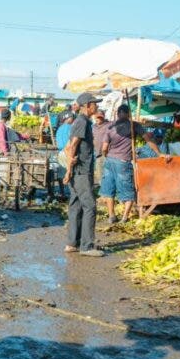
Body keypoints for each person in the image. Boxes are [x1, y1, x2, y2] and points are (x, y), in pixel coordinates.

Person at [100, 104, 166, 224]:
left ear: (118, 113)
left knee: (109, 189)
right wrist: (159, 153)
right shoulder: (134, 125)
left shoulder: (110, 127)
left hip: (110, 160)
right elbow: (148, 140)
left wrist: (107, 156)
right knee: (127, 191)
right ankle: (124, 217)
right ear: (128, 113)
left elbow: (104, 148)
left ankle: (111, 215)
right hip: (123, 162)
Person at [62, 93, 103, 256]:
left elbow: (70, 146)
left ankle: (73, 243)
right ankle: (87, 246)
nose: (97, 106)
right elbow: (72, 145)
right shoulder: (81, 121)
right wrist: (70, 168)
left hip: (79, 170)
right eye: (95, 104)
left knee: (76, 206)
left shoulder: (83, 121)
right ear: (87, 106)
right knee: (90, 206)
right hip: (81, 171)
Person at [92, 111, 110, 187]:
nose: (99, 119)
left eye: (100, 117)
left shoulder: (108, 125)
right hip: (97, 153)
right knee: (99, 174)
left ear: (103, 117)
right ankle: (102, 190)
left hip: (106, 153)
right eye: (97, 117)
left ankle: (108, 190)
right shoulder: (93, 127)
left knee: (107, 173)